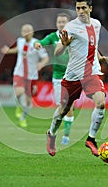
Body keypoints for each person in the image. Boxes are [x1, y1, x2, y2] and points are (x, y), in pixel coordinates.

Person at [46, 0, 108, 157]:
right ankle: (51, 133)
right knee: (63, 110)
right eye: (78, 8)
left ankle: (91, 139)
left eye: (84, 8)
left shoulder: (97, 24)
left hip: (91, 73)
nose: (81, 11)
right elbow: (57, 52)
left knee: (101, 103)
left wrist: (100, 57)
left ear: (90, 9)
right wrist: (65, 45)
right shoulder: (70, 27)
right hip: (73, 75)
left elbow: (92, 45)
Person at [34, 13, 74, 145]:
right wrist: (38, 44)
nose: (61, 24)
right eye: (59, 22)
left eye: (64, 22)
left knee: (69, 106)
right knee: (63, 106)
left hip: (73, 75)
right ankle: (54, 132)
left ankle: (66, 136)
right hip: (58, 76)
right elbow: (42, 42)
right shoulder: (53, 37)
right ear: (56, 24)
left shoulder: (73, 35)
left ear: (68, 23)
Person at [1, 24, 49, 128]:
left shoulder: (37, 44)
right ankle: (19, 106)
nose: (26, 32)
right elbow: (18, 49)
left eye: (28, 30)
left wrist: (41, 64)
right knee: (18, 92)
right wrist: (9, 51)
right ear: (22, 32)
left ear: (32, 32)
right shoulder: (20, 41)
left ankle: (23, 118)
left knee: (28, 102)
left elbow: (45, 58)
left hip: (32, 76)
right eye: (24, 30)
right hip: (19, 73)